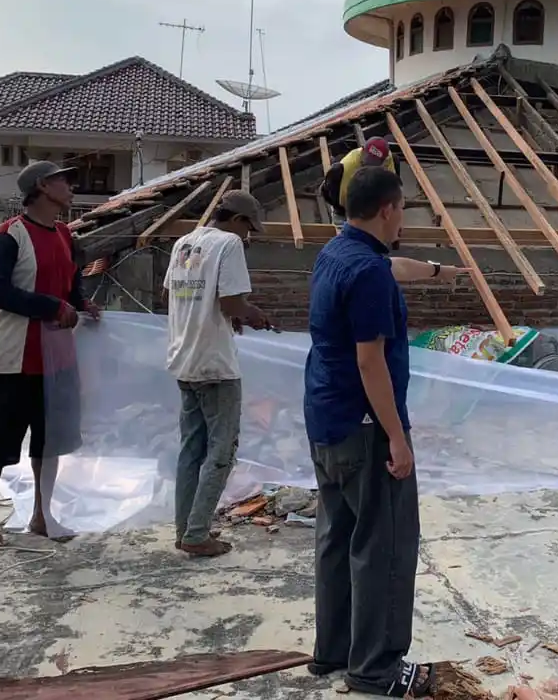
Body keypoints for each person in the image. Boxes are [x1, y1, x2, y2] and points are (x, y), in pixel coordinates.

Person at [303, 166, 465, 697]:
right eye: (403, 209)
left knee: (338, 537)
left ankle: (333, 652)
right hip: (366, 425)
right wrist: (396, 437)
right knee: (385, 546)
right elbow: (370, 361)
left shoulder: (337, 254)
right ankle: (376, 668)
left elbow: (391, 266)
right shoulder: (367, 271)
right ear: (389, 209)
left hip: (326, 420)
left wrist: (443, 272)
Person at [0, 160, 101, 547]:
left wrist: (81, 303)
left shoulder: (65, 234)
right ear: (43, 186)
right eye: (65, 181)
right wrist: (50, 306)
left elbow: (71, 282)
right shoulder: (10, 235)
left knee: (50, 443)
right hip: (12, 361)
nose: (72, 188)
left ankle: (42, 516)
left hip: (57, 360)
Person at [164, 189, 278, 558]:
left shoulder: (184, 242)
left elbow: (178, 296)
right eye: (249, 229)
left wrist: (228, 317)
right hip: (215, 364)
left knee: (190, 450)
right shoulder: (228, 244)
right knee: (221, 452)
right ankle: (197, 533)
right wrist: (253, 314)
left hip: (184, 359)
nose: (249, 238)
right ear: (237, 220)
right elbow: (230, 301)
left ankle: (184, 529)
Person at [321, 136, 398, 220]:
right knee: (334, 175)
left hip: (370, 193)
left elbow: (392, 186)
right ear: (363, 150)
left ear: (383, 161)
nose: (369, 162)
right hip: (345, 198)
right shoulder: (349, 165)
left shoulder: (388, 160)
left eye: (374, 162)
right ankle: (339, 212)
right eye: (368, 158)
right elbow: (346, 197)